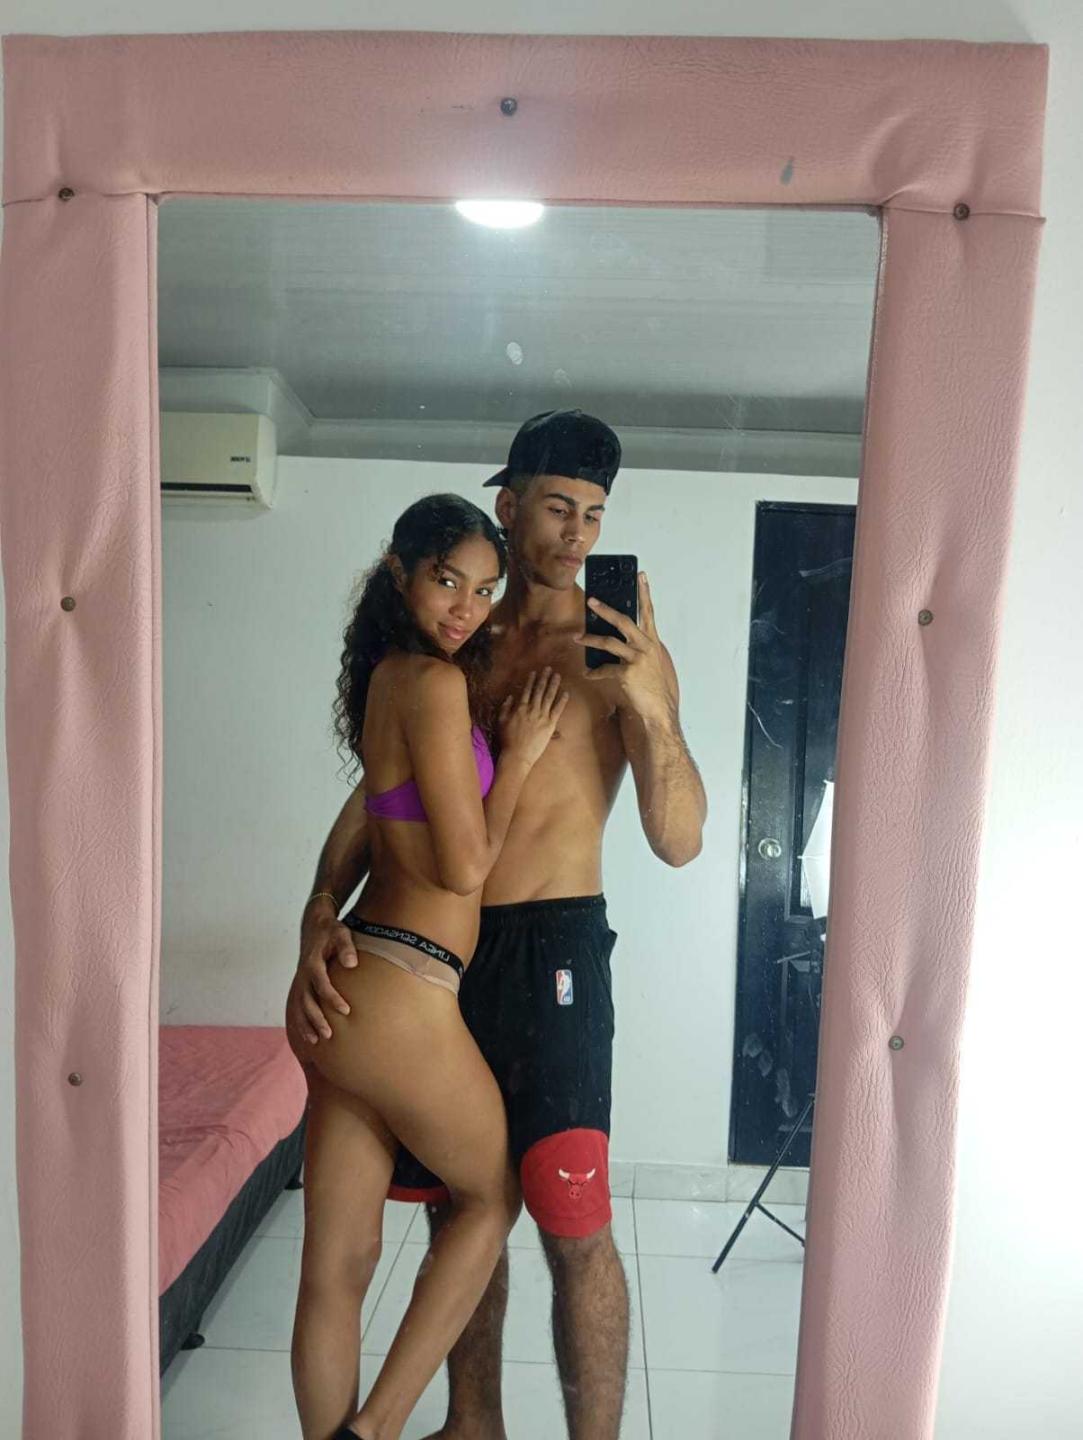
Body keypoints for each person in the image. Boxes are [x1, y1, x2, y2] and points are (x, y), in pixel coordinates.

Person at [288, 411, 707, 1440]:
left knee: (568, 1214)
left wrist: (651, 705)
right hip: (442, 953)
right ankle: (470, 1426)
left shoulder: (619, 652)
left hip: (556, 944)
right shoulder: (460, 643)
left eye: (595, 515)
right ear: (509, 507)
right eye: (558, 509)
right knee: (456, 1208)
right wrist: (318, 909)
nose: (577, 535)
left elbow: (680, 839)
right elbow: (378, 800)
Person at [287, 492, 568, 1440]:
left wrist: (319, 905)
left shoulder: (387, 679)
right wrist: (518, 758)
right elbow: (463, 868)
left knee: (336, 1266)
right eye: (448, 580)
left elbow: (362, 816)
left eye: (483, 590)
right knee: (490, 1199)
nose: (466, 607)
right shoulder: (435, 687)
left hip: (347, 993)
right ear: (399, 572)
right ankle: (374, 1430)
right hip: (403, 993)